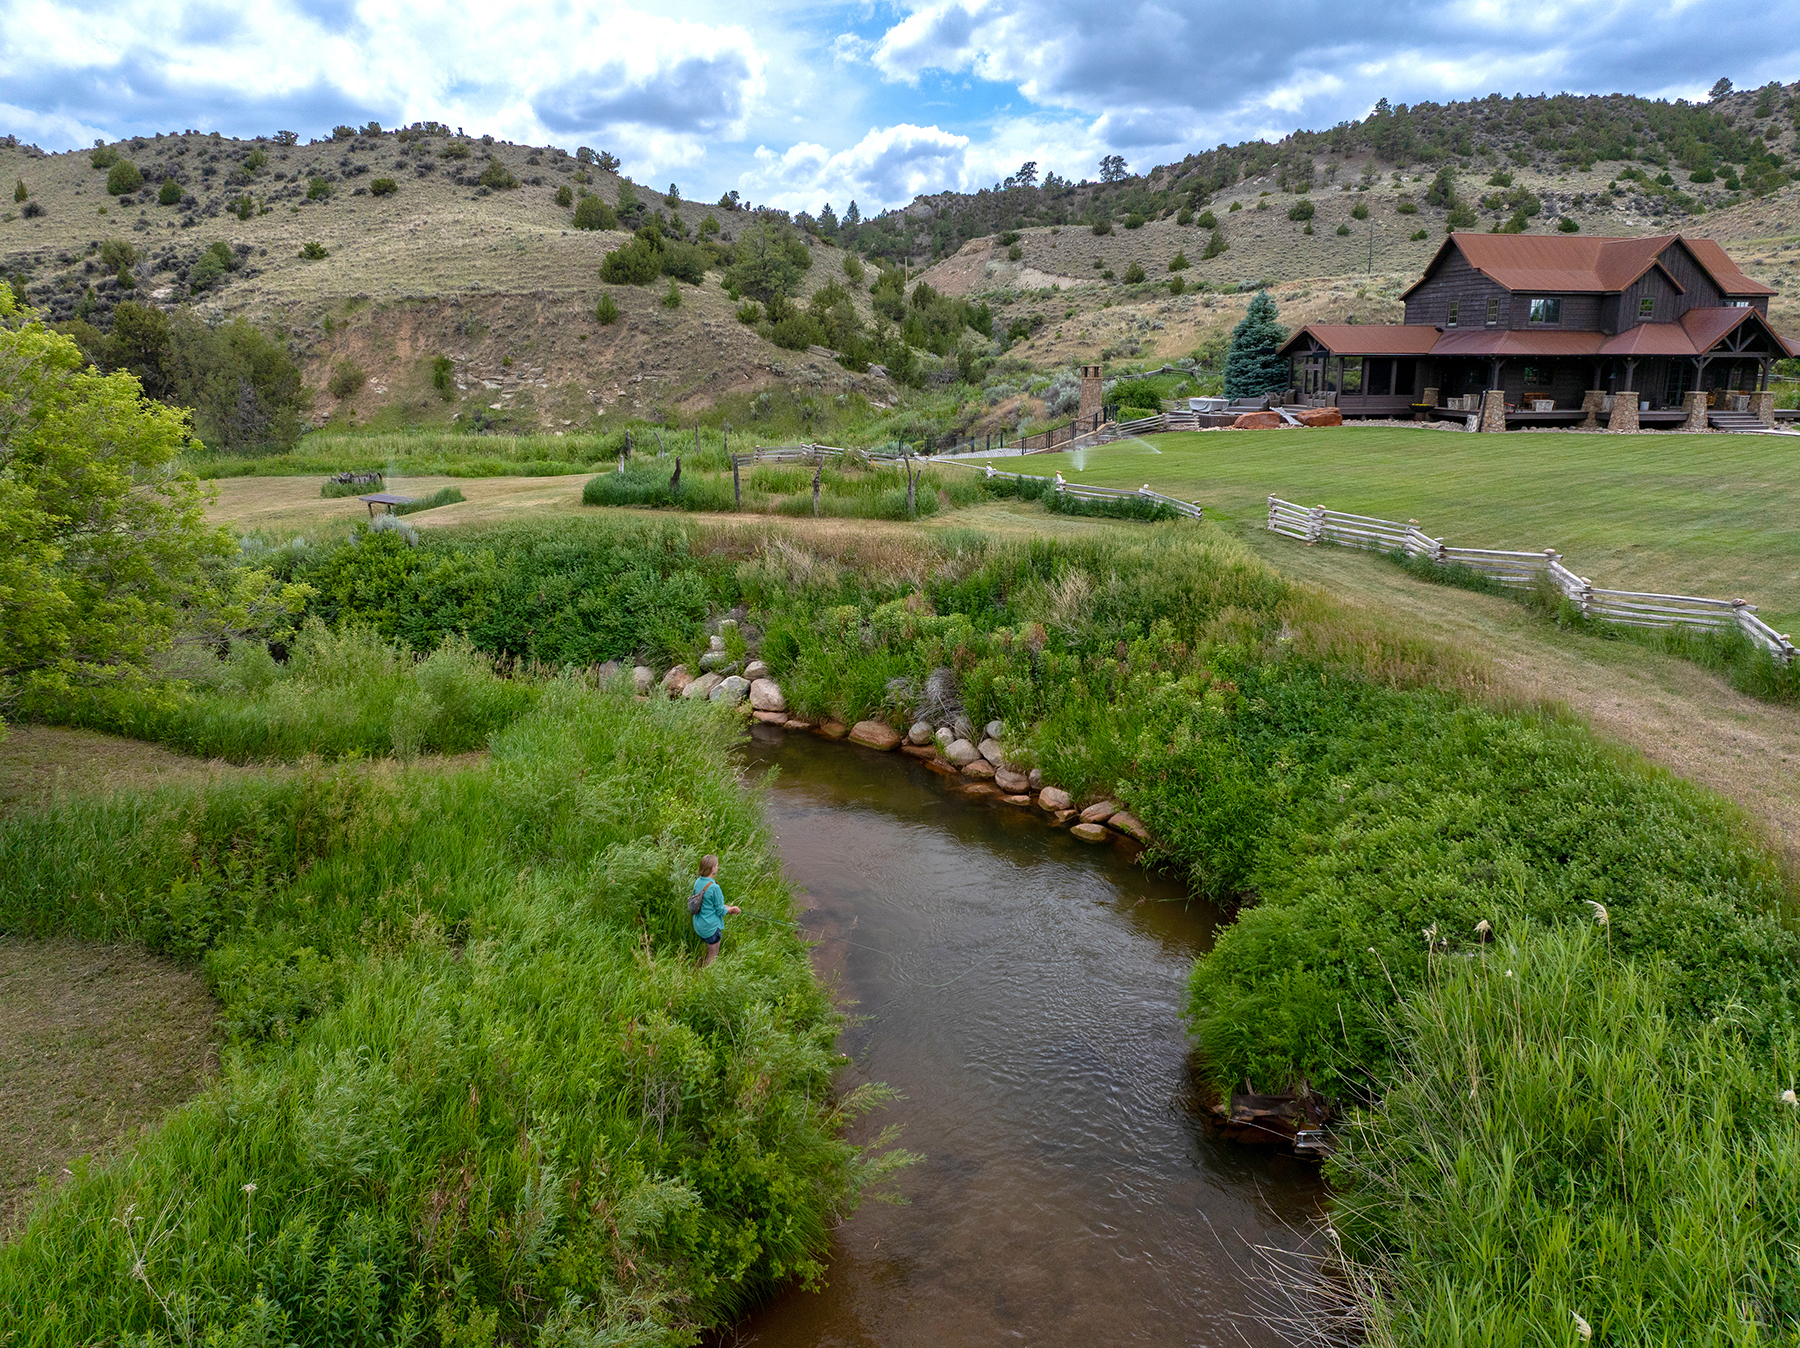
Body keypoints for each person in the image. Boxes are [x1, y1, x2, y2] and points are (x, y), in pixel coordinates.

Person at [691, 854, 739, 966]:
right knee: (713, 955)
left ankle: (702, 967)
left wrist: (727, 907)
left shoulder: (698, 881)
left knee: (710, 952)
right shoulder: (714, 887)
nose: (717, 867)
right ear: (712, 869)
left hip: (699, 923)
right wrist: (732, 910)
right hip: (710, 927)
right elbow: (720, 911)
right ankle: (708, 973)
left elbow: (708, 904)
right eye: (716, 865)